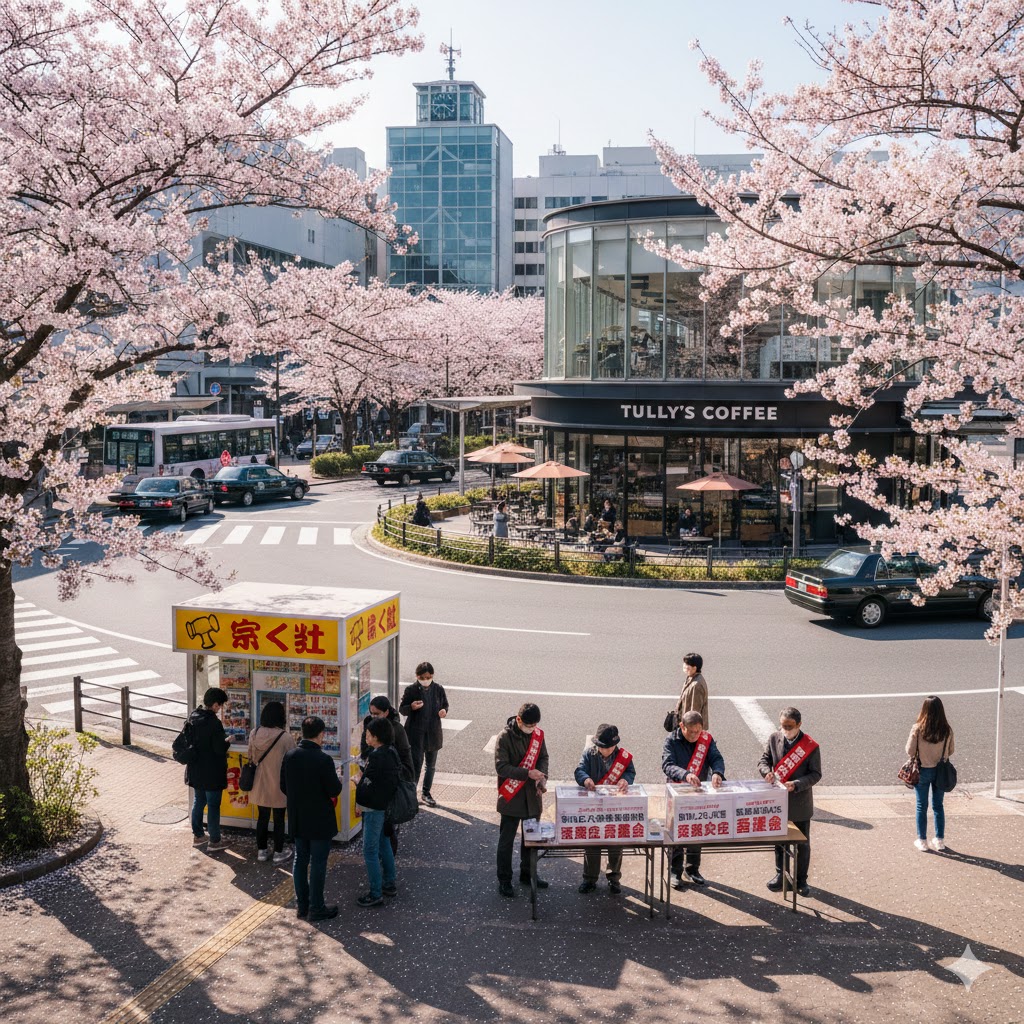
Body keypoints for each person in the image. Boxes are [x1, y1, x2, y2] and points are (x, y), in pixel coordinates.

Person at [280, 716, 342, 922]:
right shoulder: (324, 760)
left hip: (298, 817)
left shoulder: (290, 756)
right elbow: (334, 789)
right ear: (321, 734)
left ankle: (302, 905)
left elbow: (283, 786)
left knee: (300, 859)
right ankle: (317, 906)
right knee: (318, 862)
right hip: (320, 819)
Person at [758, 706, 822, 897]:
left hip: (799, 803)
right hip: (778, 801)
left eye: (790, 726)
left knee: (802, 844)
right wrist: (766, 772)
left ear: (799, 724)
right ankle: (781, 875)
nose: (785, 729)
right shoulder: (774, 738)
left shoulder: (810, 746)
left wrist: (796, 783)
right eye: (783, 725)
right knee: (780, 842)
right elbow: (763, 760)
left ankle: (801, 880)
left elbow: (816, 774)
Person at [662, 710, 725, 887]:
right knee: (676, 832)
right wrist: (686, 774)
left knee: (697, 829)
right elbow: (667, 765)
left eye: (698, 731)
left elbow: (716, 758)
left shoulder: (706, 739)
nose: (695, 735)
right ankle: (675, 871)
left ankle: (692, 868)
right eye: (691, 731)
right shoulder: (671, 740)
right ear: (682, 726)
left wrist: (718, 772)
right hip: (677, 790)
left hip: (699, 791)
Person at [495, 702, 550, 898]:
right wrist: (528, 773)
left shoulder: (537, 736)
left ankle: (529, 874)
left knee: (531, 839)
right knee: (506, 841)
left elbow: (543, 757)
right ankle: (504, 879)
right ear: (518, 720)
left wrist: (542, 777)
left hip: (532, 797)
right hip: (511, 796)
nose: (531, 729)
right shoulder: (504, 737)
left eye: (534, 725)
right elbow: (502, 768)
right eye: (528, 725)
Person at [574, 724, 636, 895]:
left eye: (608, 747)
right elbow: (579, 770)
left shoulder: (624, 757)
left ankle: (614, 878)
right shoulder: (589, 753)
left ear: (615, 745)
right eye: (601, 746)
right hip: (594, 808)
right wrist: (585, 780)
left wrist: (625, 780)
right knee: (592, 843)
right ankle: (589, 879)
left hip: (615, 807)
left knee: (615, 844)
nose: (604, 750)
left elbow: (630, 772)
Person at [354, 717, 401, 908]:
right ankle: (389, 883)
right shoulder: (391, 752)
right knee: (383, 844)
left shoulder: (376, 756)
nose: (366, 736)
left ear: (376, 737)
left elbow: (368, 785)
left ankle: (375, 892)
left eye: (368, 734)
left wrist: (357, 783)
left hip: (374, 808)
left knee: (370, 850)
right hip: (385, 806)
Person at [362, 695, 414, 856]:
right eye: (371, 713)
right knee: (375, 821)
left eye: (376, 713)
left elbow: (406, 757)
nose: (373, 716)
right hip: (374, 778)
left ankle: (388, 856)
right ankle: (383, 856)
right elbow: (364, 749)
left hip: (391, 781)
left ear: (386, 712)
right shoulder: (368, 724)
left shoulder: (396, 729)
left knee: (387, 824)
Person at [247, 700, 296, 864]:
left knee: (262, 817)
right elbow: (293, 759)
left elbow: (251, 757)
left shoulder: (254, 733)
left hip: (260, 783)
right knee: (279, 819)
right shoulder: (285, 737)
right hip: (279, 784)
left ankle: (261, 851)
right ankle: (278, 852)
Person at [186, 687, 233, 852]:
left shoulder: (194, 716)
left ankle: (198, 835)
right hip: (212, 771)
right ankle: (215, 840)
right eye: (219, 705)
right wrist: (228, 740)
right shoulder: (214, 723)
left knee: (199, 801)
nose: (219, 708)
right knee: (213, 805)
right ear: (214, 704)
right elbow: (219, 748)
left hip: (196, 769)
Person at [907, 696, 955, 852]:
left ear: (924, 710)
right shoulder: (947, 729)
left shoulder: (918, 728)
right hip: (940, 771)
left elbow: (910, 751)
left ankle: (922, 840)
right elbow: (951, 751)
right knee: (938, 806)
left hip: (922, 770)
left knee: (921, 806)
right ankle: (939, 840)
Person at [400, 661, 449, 808]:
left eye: (429, 677)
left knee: (431, 765)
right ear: (417, 676)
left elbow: (445, 704)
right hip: (415, 734)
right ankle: (412, 794)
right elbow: (402, 709)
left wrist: (444, 711)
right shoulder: (411, 690)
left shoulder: (438, 689)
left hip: (433, 732)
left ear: (432, 676)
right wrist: (412, 707)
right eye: (423, 677)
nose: (426, 680)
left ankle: (426, 793)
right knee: (416, 764)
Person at [670, 652, 709, 732]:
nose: (684, 666)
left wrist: (688, 730)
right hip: (685, 723)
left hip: (691, 728)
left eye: (687, 665)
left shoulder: (697, 685)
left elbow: (694, 710)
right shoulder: (690, 678)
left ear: (694, 668)